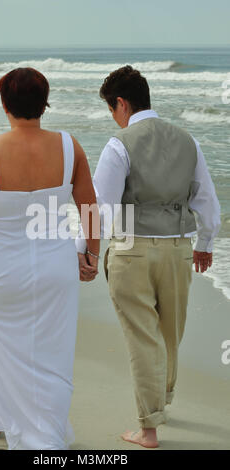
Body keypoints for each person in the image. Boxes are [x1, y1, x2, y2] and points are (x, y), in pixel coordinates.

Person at [76, 65, 221, 449]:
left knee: (142, 337)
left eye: (112, 108)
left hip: (132, 250)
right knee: (170, 334)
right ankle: (163, 403)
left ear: (121, 103)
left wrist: (86, 252)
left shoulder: (119, 143)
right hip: (177, 250)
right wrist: (205, 243)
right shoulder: (188, 141)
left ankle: (149, 429)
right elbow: (206, 199)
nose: (113, 117)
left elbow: (99, 207)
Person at [0, 67, 99, 450]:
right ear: (45, 102)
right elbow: (90, 209)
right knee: (51, 354)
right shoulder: (70, 147)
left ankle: (37, 442)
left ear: (4, 104)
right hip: (55, 267)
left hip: (2, 267)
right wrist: (91, 255)